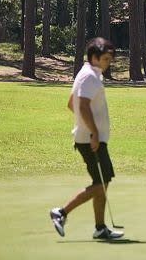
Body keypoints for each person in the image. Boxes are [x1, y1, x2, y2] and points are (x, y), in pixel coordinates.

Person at [49, 37, 124, 240]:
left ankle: (100, 228)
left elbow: (71, 104)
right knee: (100, 184)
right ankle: (61, 212)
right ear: (94, 57)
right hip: (91, 140)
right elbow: (80, 106)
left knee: (103, 181)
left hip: (90, 137)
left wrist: (85, 126)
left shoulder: (88, 74)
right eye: (106, 58)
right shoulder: (90, 76)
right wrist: (92, 132)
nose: (109, 62)